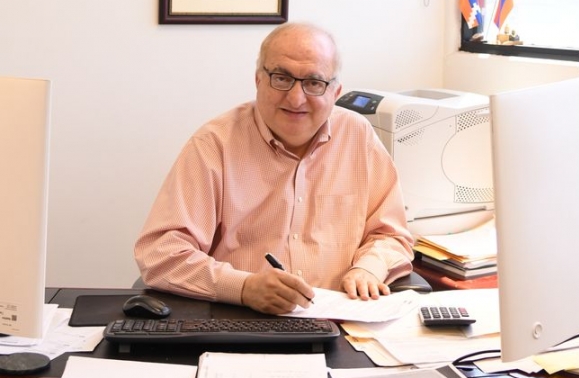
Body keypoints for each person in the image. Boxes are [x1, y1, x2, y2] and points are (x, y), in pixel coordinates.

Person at [134, 22, 414, 314]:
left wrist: (368, 268)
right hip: (241, 320)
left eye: (314, 83)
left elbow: (391, 235)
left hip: (341, 321)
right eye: (281, 78)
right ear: (258, 80)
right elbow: (161, 254)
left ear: (335, 92)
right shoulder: (215, 144)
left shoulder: (358, 136)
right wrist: (242, 288)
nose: (295, 98)